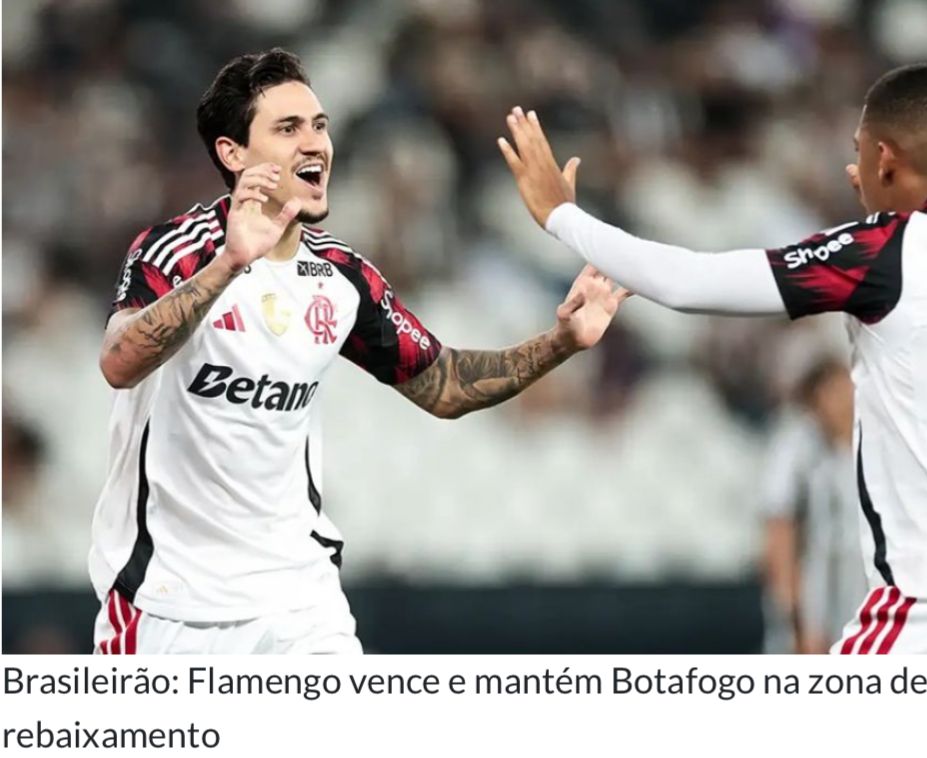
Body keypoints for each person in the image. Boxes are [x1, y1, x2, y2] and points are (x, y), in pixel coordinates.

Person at [499, 63, 927, 653]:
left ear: (885, 158)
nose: (854, 170)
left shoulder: (887, 252)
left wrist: (562, 217)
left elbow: (690, 281)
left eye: (858, 152)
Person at [90, 49, 629, 655]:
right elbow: (119, 362)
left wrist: (561, 343)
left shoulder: (339, 276)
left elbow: (445, 384)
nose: (314, 143)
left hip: (301, 601)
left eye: (319, 125)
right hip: (169, 605)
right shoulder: (179, 251)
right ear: (233, 153)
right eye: (288, 128)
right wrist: (229, 265)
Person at [762, 358, 866, 654]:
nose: (845, 399)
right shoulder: (797, 449)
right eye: (834, 391)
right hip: (817, 587)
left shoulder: (874, 442)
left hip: (864, 586)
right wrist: (795, 617)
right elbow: (780, 529)